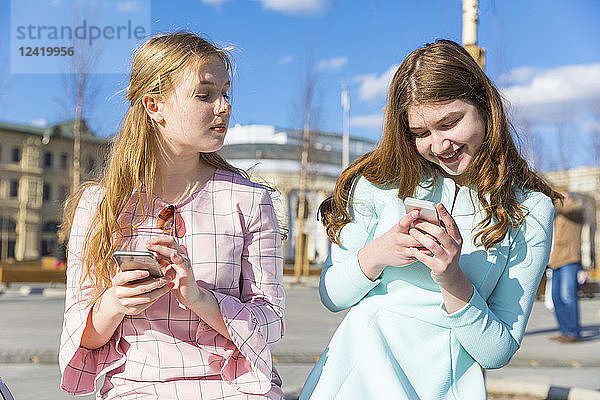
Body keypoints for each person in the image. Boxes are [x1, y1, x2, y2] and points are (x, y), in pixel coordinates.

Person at [300, 39, 561, 400]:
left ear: (485, 106)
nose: (439, 146)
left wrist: (452, 279)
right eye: (420, 133)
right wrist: (379, 252)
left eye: (450, 123)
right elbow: (332, 295)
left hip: (444, 386)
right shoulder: (377, 182)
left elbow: (498, 350)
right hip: (356, 374)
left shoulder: (530, 208)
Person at [59, 31, 285, 399]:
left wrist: (198, 298)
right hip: (136, 388)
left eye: (225, 93)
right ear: (154, 106)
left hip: (234, 388)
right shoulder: (99, 206)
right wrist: (115, 303)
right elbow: (78, 332)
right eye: (204, 94)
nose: (224, 106)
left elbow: (272, 321)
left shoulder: (249, 200)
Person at [548, 190, 584, 343]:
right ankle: (564, 331)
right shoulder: (557, 216)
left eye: (564, 196)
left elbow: (566, 208)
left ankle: (573, 332)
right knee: (556, 298)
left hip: (569, 260)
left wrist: (554, 200)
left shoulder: (576, 210)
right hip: (555, 262)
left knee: (568, 296)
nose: (561, 199)